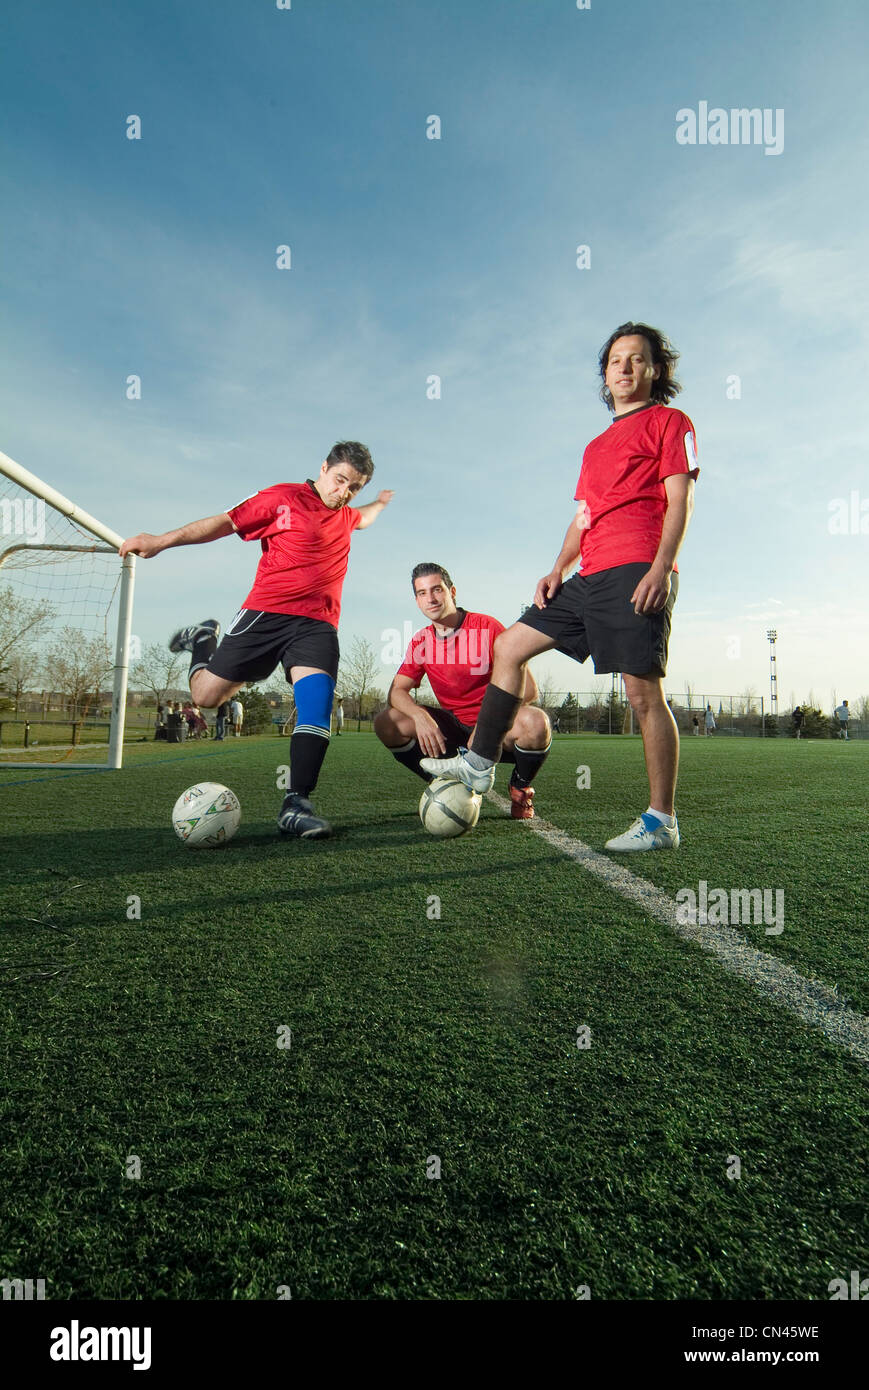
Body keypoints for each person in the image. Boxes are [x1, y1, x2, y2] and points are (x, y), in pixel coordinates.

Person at [421, 323, 698, 851]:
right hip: (588, 574)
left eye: (637, 359)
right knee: (510, 644)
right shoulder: (593, 447)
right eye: (616, 360)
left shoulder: (670, 422)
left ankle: (661, 820)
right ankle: (479, 763)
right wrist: (557, 568)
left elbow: (681, 501)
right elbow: (583, 517)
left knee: (642, 695)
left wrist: (662, 567)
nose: (625, 367)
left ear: (655, 370)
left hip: (637, 566)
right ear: (605, 373)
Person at [119, 442, 393, 838]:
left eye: (354, 487)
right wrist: (162, 540)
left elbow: (363, 518)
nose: (344, 492)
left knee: (315, 706)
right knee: (206, 698)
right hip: (266, 616)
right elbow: (226, 522)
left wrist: (380, 504)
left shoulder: (347, 515)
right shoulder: (282, 498)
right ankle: (201, 639)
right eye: (339, 480)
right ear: (323, 468)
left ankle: (296, 804)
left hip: (317, 626)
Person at [375, 563, 551, 818]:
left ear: (452, 591)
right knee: (386, 722)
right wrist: (419, 716)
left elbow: (529, 690)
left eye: (437, 589)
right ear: (416, 600)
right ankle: (443, 781)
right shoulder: (421, 640)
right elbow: (397, 692)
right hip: (452, 730)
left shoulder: (486, 627)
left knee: (537, 722)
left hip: (496, 731)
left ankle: (520, 788)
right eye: (422, 593)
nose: (431, 599)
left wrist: (486, 729)